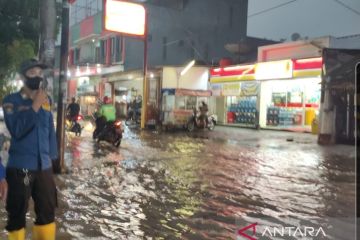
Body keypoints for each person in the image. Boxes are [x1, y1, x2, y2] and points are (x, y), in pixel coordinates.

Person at [2, 58, 58, 240]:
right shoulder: (11, 101)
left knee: (48, 213)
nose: (38, 77)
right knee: (17, 215)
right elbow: (17, 131)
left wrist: (52, 160)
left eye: (40, 73)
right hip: (22, 169)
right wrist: (34, 105)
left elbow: (49, 129)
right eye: (32, 73)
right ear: (22, 76)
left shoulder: (46, 100)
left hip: (44, 167)